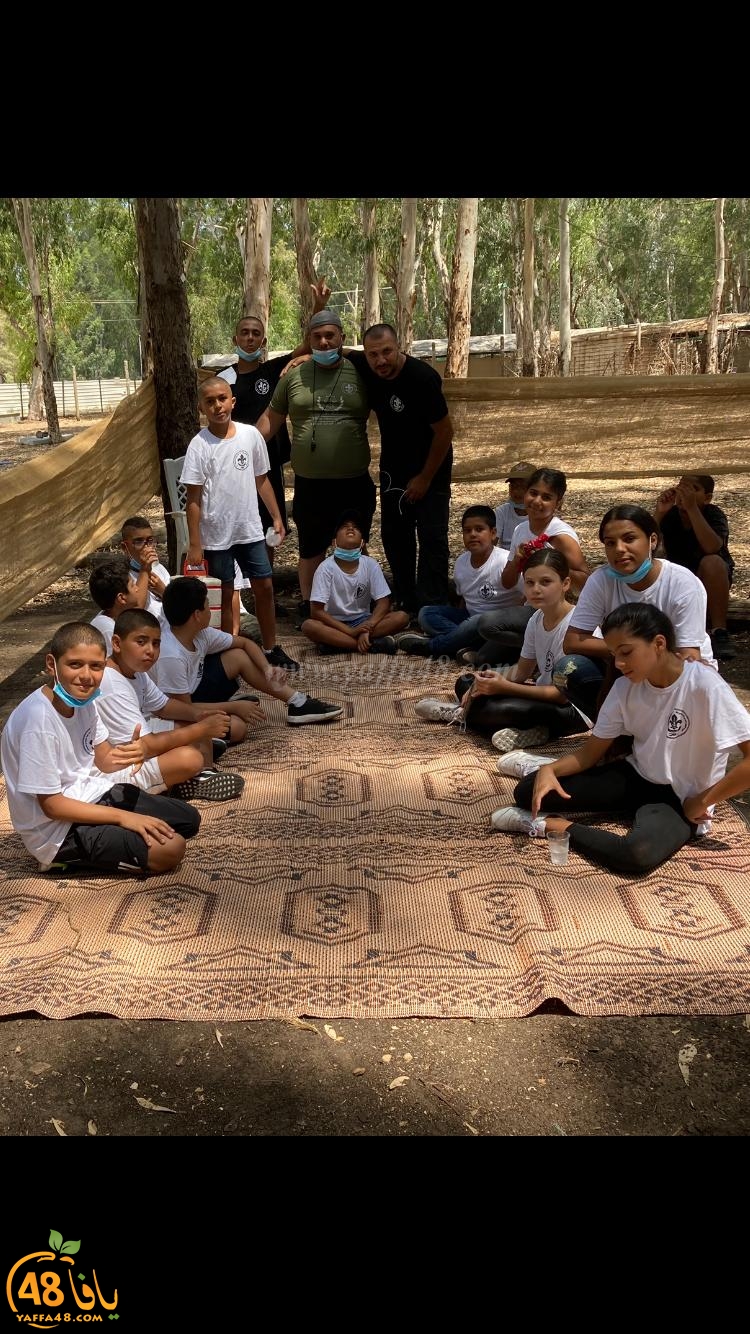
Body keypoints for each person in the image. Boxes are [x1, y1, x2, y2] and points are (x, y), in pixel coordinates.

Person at [490, 604, 750, 876]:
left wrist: (705, 800)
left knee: (636, 855)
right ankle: (538, 765)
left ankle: (551, 826)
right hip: (635, 776)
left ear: (659, 643)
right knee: (528, 792)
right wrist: (550, 770)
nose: (619, 664)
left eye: (626, 652)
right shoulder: (625, 687)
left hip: (678, 797)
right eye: (614, 654)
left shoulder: (704, 686)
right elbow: (589, 754)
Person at [0, 622, 201, 875]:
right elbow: (52, 806)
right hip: (57, 831)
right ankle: (59, 861)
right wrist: (123, 817)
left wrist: (135, 751)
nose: (86, 676)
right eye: (75, 664)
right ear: (52, 664)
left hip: (92, 793)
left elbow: (104, 760)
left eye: (95, 666)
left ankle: (116, 834)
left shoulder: (85, 700)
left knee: (188, 819)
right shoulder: (38, 721)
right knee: (171, 849)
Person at [256, 309, 375, 612]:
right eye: (317, 337)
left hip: (354, 483)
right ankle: (312, 607)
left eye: (329, 336)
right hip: (311, 486)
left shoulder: (361, 370)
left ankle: (356, 606)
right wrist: (240, 450)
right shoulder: (293, 375)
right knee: (311, 549)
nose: (323, 342)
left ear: (341, 338)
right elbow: (270, 420)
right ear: (308, 340)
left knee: (356, 546)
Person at [415, 550, 589, 753]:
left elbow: (560, 696)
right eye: (530, 583)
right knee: (466, 682)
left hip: (575, 712)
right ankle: (528, 732)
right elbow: (522, 671)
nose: (536, 589)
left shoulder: (576, 626)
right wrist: (485, 680)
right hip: (545, 697)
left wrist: (502, 688)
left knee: (501, 708)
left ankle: (462, 713)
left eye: (545, 582)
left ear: (565, 584)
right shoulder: (536, 620)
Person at [556, 504, 716, 723]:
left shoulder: (682, 583)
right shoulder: (601, 581)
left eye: (629, 539)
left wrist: (640, 653)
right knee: (566, 670)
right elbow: (573, 641)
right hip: (626, 669)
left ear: (652, 540)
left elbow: (690, 656)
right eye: (610, 543)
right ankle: (617, 733)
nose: (619, 549)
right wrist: (629, 652)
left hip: (676, 672)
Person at [182, 375, 298, 671]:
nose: (217, 406)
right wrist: (195, 544)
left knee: (265, 586)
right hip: (217, 535)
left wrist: (276, 516)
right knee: (223, 594)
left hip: (250, 530)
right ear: (201, 408)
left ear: (232, 401)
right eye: (210, 402)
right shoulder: (199, 445)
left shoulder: (250, 436)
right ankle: (224, 652)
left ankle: (271, 648)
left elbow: (261, 479)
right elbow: (192, 499)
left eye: (222, 398)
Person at [217, 279, 331, 561]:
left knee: (269, 526)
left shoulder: (273, 370)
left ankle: (264, 582)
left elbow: (307, 346)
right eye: (244, 333)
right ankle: (239, 592)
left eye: (256, 333)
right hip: (234, 464)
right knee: (239, 524)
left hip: (268, 463)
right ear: (235, 339)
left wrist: (318, 307)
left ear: (263, 341)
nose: (250, 338)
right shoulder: (223, 381)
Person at [345, 323, 454, 615]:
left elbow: (445, 432)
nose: (380, 361)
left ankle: (433, 605)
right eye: (373, 355)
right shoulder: (366, 366)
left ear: (399, 346)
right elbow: (329, 347)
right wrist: (302, 356)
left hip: (431, 470)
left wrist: (425, 478)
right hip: (394, 470)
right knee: (395, 537)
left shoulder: (423, 378)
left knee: (432, 538)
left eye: (387, 352)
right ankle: (405, 600)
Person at [95, 608, 244, 802]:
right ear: (116, 643)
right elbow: (146, 746)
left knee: (198, 725)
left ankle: (200, 772)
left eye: (156, 643)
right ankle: (192, 777)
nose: (150, 650)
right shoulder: (113, 685)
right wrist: (200, 729)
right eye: (141, 642)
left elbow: (164, 706)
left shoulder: (135, 671)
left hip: (137, 745)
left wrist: (200, 717)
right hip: (118, 768)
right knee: (190, 758)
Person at [152, 576, 343, 726]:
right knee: (237, 729)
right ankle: (214, 726)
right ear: (196, 615)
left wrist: (267, 669)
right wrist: (234, 707)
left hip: (195, 692)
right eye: (207, 605)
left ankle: (298, 702)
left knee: (237, 656)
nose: (210, 610)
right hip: (178, 710)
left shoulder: (200, 633)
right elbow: (183, 708)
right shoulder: (171, 655)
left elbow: (244, 643)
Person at [463, 468, 590, 668]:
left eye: (546, 497)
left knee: (487, 624)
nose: (537, 501)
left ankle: (549, 647)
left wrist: (549, 561)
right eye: (533, 493)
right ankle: (540, 650)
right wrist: (519, 560)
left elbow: (584, 580)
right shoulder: (520, 530)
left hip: (556, 611)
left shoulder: (561, 535)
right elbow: (507, 581)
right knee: (484, 658)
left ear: (558, 503)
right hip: (531, 608)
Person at [396, 505, 518, 661]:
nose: (473, 534)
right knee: (426, 613)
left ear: (493, 533)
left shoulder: (505, 561)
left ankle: (432, 647)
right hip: (470, 619)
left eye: (479, 529)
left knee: (479, 621)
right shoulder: (461, 563)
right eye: (467, 531)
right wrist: (463, 628)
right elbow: (464, 599)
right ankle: (466, 644)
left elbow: (524, 598)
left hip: (498, 625)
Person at [301, 510, 409, 655]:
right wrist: (351, 631)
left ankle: (337, 645)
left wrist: (368, 627)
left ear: (362, 543)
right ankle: (369, 645)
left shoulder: (370, 564)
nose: (351, 528)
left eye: (356, 528)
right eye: (345, 526)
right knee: (309, 626)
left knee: (401, 617)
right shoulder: (325, 568)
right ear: (334, 542)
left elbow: (383, 602)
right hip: (335, 624)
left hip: (364, 620)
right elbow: (316, 611)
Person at [653, 473, 736, 661]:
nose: (685, 493)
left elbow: (712, 546)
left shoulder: (713, 514)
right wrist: (659, 513)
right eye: (682, 487)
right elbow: (645, 545)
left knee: (712, 562)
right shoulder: (670, 516)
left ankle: (719, 631)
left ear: (707, 497)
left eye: (693, 490)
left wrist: (692, 510)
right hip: (678, 581)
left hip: (709, 580)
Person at [89, 558, 145, 654]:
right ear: (121, 598)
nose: (137, 588)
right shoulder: (108, 629)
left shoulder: (117, 618)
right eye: (133, 585)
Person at [120, 514, 171, 619]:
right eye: (138, 541)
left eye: (150, 541)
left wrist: (162, 591)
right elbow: (136, 609)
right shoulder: (123, 577)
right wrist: (144, 569)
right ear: (125, 547)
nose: (146, 547)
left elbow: (177, 603)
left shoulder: (159, 569)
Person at [494, 460, 537, 550]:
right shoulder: (502, 512)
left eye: (522, 487)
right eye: (513, 486)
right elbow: (491, 543)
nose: (516, 492)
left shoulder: (540, 513)